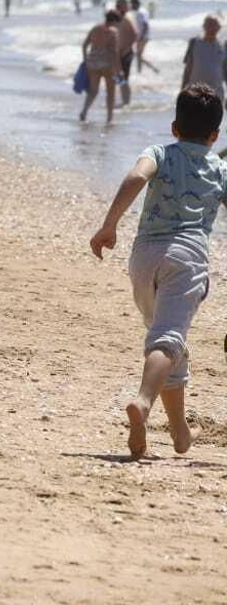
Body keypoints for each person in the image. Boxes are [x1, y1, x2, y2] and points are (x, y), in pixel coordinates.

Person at [89, 84, 225, 458]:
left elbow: (136, 178)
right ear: (215, 135)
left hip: (144, 257)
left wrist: (108, 226)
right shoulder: (220, 168)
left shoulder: (160, 153)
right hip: (187, 258)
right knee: (167, 340)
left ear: (174, 127)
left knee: (165, 338)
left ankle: (180, 432)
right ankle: (144, 401)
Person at [80, 10, 122, 124]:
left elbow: (84, 45)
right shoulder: (113, 32)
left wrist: (85, 61)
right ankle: (109, 118)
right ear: (114, 21)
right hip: (107, 65)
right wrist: (118, 70)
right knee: (110, 92)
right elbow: (114, 53)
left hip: (92, 64)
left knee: (93, 91)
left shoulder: (95, 28)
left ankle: (84, 111)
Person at [181, 15, 226, 107]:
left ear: (219, 27)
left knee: (213, 121)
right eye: (209, 24)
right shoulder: (194, 43)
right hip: (194, 93)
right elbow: (188, 69)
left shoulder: (224, 46)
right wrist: (182, 91)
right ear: (204, 26)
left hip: (216, 94)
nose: (212, 28)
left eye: (214, 25)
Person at [115, 0, 137, 107]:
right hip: (118, 53)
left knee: (125, 78)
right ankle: (124, 101)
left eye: (121, 6)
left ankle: (126, 102)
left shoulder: (127, 19)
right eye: (118, 6)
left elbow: (134, 35)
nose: (119, 8)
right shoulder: (118, 19)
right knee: (120, 78)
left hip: (126, 53)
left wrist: (126, 48)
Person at [131, 0, 157, 75]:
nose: (131, 7)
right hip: (143, 36)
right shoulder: (142, 11)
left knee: (138, 55)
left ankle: (151, 68)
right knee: (138, 55)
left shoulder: (140, 12)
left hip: (143, 37)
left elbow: (145, 25)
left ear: (135, 4)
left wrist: (141, 37)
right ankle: (141, 70)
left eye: (131, 5)